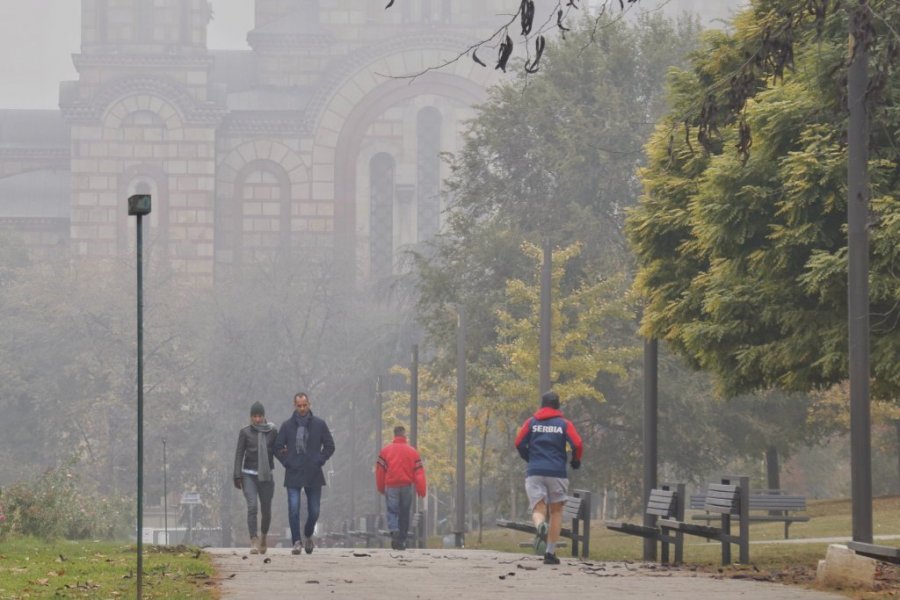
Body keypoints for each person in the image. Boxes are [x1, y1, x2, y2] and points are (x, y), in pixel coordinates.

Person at [514, 390, 583, 565]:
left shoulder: (531, 423)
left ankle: (539, 526)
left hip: (535, 472)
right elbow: (577, 443)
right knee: (556, 512)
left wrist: (529, 457)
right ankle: (550, 553)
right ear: (558, 406)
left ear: (542, 405)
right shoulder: (564, 424)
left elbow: (518, 442)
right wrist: (575, 460)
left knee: (538, 510)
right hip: (557, 472)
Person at [274, 392, 335, 555]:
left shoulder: (319, 424)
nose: (302, 408)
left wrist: (320, 459)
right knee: (293, 508)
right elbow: (277, 447)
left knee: (314, 510)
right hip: (294, 472)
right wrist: (287, 461)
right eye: (299, 406)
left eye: (304, 405)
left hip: (313, 472)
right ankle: (296, 542)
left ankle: (308, 533)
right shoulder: (287, 426)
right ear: (295, 406)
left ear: (309, 404)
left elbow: (330, 446)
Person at [233, 401, 278, 555]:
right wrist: (237, 474)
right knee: (252, 507)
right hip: (249, 475)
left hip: (266, 476)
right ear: (250, 417)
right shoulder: (245, 432)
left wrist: (289, 460)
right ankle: (253, 539)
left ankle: (263, 537)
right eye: (254, 416)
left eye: (259, 416)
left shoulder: (272, 431)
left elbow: (278, 451)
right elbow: (239, 453)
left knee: (266, 510)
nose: (257, 420)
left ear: (264, 416)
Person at [375, 424, 427, 550]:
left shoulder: (385, 451)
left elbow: (380, 471)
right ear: (404, 435)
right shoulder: (412, 452)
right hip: (406, 486)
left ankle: (394, 530)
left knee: (392, 511)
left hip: (391, 486)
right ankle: (402, 539)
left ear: (394, 435)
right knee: (404, 513)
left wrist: (381, 487)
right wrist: (421, 489)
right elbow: (419, 472)